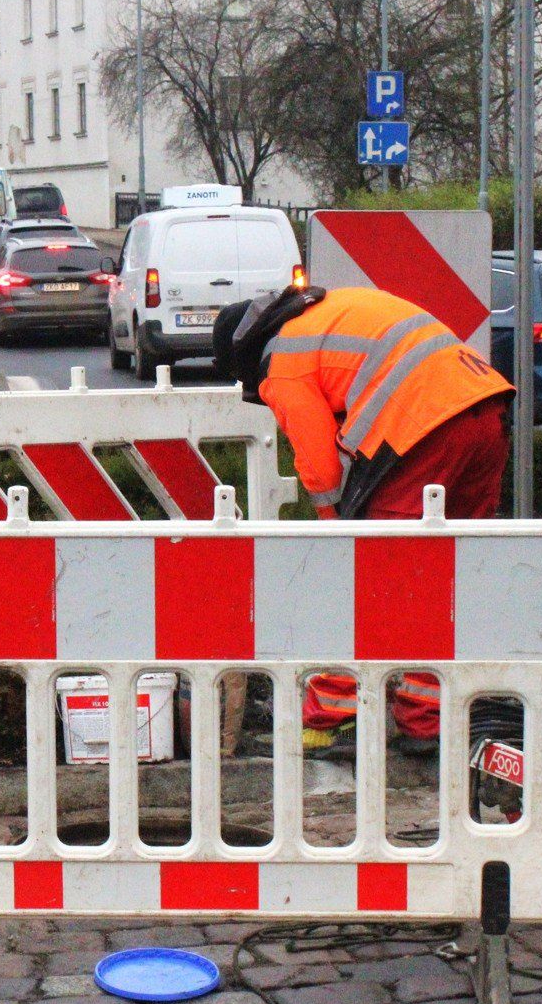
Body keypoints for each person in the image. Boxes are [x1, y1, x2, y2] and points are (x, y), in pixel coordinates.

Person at [215, 279, 515, 753]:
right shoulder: (326, 311)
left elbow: (318, 463)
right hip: (486, 410)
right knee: (445, 572)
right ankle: (428, 719)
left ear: (246, 360)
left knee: (371, 577)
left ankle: (335, 716)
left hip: (425, 425)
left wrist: (339, 529)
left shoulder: (283, 362)